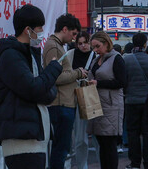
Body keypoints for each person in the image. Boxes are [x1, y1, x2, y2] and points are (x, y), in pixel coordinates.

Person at [0, 4, 63, 169]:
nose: (41, 32)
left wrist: (44, 84)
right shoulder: (10, 56)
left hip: (34, 137)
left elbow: (46, 90)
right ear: (27, 30)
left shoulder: (29, 54)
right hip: (21, 140)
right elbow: (33, 88)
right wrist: (52, 70)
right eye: (39, 28)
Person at [42, 13, 87, 169]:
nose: (74, 38)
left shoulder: (57, 46)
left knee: (61, 148)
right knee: (60, 148)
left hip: (64, 103)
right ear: (65, 29)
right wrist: (78, 73)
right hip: (61, 104)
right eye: (73, 34)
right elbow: (54, 76)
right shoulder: (53, 46)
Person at [87, 31, 126, 169]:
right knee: (102, 142)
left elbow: (122, 82)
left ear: (105, 43)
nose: (96, 50)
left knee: (109, 143)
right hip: (97, 104)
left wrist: (99, 83)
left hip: (111, 105)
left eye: (98, 46)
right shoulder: (97, 59)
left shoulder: (116, 58)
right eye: (94, 47)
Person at [123, 33, 148, 169]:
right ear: (145, 44)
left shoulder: (126, 60)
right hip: (147, 101)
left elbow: (123, 81)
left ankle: (135, 163)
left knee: (132, 133)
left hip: (131, 101)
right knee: (147, 133)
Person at [70, 31, 94, 169]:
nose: (83, 46)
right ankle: (82, 165)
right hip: (78, 94)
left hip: (90, 94)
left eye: (85, 42)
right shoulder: (71, 55)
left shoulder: (95, 55)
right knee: (80, 136)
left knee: (96, 132)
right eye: (80, 43)